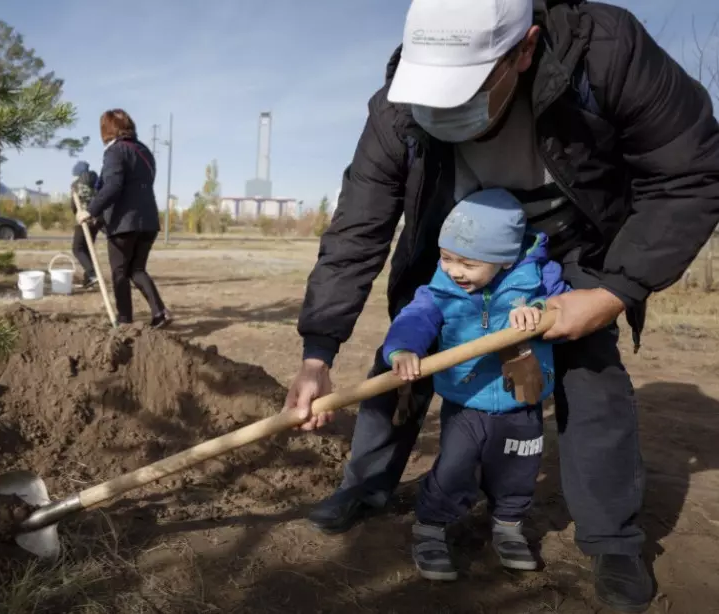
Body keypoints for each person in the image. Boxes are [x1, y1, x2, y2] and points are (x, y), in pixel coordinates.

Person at [285, 1, 719, 612]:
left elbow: (690, 172)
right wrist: (317, 349)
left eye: (461, 91)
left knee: (589, 365)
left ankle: (612, 539)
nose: (439, 110)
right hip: (456, 241)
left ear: (524, 50)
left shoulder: (605, 50)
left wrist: (614, 289)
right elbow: (360, 222)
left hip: (566, 244)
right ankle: (367, 485)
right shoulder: (399, 104)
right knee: (403, 357)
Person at [382, 188, 568, 580]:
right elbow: (416, 317)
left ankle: (508, 526)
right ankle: (430, 527)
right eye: (447, 258)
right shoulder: (442, 289)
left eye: (466, 263)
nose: (454, 271)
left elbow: (566, 308)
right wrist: (402, 349)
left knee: (519, 470)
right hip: (465, 400)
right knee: (454, 467)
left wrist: (540, 312)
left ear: (503, 259)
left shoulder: (538, 280)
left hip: (523, 400)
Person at [77, 109, 171, 328]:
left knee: (119, 273)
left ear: (106, 131)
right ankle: (160, 313)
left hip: (124, 224)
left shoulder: (115, 151)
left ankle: (124, 320)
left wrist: (90, 210)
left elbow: (113, 186)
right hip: (148, 221)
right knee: (136, 270)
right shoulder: (145, 152)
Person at [69, 160, 100, 288]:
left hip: (83, 219)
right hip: (96, 219)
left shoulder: (76, 184)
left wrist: (76, 212)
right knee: (88, 249)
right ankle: (89, 279)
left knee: (77, 248)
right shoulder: (96, 182)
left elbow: (73, 204)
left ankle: (92, 274)